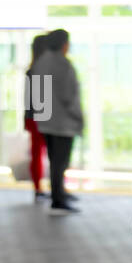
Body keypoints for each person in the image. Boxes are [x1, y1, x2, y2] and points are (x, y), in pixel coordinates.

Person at [32, 29, 84, 216]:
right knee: (60, 162)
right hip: (63, 123)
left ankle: (58, 194)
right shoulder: (63, 65)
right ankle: (58, 198)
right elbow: (69, 96)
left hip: (46, 121)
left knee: (54, 161)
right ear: (64, 44)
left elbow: (37, 93)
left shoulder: (41, 62)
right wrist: (79, 118)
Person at [23, 34, 50, 201]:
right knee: (53, 154)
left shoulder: (31, 70)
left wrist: (25, 119)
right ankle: (55, 187)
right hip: (46, 118)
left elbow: (27, 99)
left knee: (36, 154)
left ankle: (37, 188)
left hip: (32, 118)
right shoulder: (47, 69)